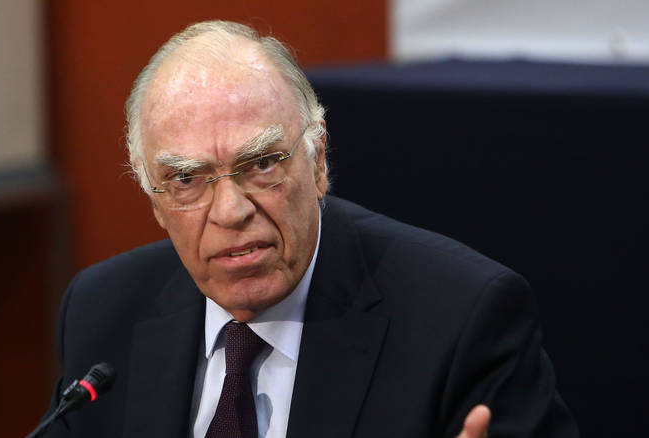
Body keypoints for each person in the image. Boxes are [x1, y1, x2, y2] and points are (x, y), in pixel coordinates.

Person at [39, 20, 579, 438]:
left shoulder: (462, 320)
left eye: (261, 164)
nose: (230, 211)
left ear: (318, 161)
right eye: (186, 179)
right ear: (154, 199)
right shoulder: (102, 312)